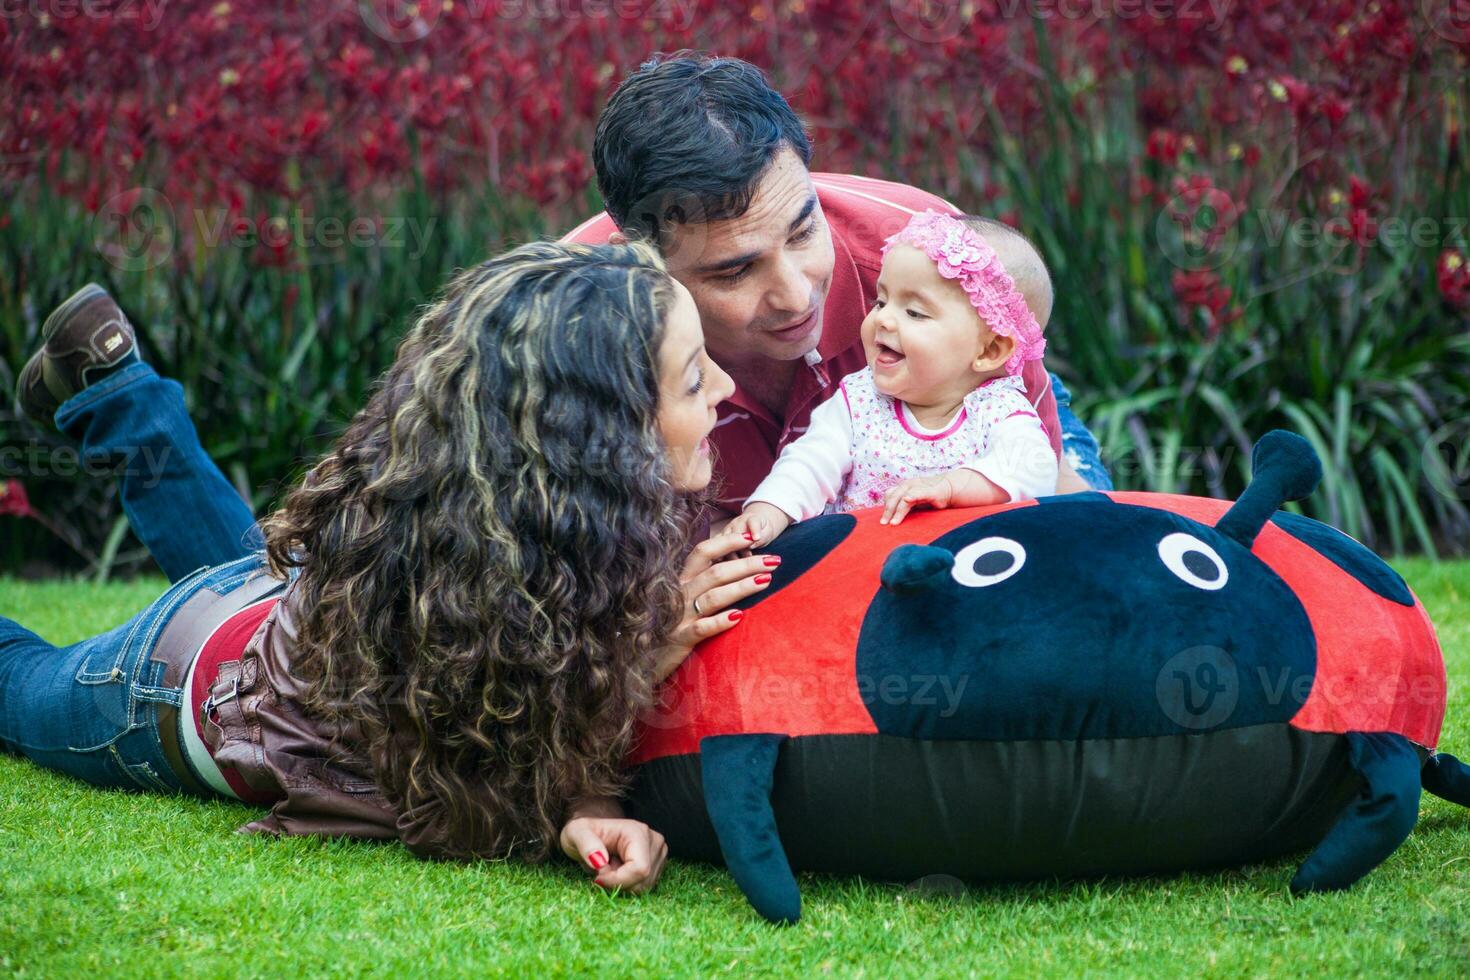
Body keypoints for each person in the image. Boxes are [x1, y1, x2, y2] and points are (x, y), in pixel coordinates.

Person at [2, 241, 774, 893]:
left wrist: (593, 786)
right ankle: (116, 398)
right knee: (17, 681)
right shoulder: (486, 617)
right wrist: (646, 660)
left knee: (250, 571)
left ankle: (114, 386)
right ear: (607, 435)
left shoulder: (519, 530)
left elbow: (549, 718)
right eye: (696, 378)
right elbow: (458, 811)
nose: (729, 389)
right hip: (169, 689)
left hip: (282, 607)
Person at [563, 53, 1112, 516]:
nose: (798, 297)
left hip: (976, 424)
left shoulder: (927, 253)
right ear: (637, 266)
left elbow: (1048, 491)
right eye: (734, 270)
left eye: (804, 231)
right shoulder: (565, 329)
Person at [730, 211, 1058, 546]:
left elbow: (1034, 470)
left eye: (915, 313)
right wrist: (769, 509)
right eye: (881, 301)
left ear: (989, 351)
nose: (884, 319)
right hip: (862, 561)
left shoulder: (998, 410)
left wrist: (951, 486)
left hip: (959, 566)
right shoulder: (860, 400)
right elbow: (811, 461)